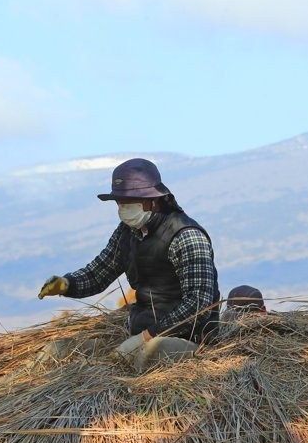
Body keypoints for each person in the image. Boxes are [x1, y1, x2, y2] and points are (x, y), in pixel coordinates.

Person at [37, 158, 220, 371]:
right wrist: (67, 284)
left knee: (147, 355)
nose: (123, 208)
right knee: (58, 351)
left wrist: (147, 337)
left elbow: (199, 305)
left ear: (154, 199)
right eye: (120, 202)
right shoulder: (127, 232)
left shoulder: (186, 236)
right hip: (137, 336)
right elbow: (99, 273)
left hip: (186, 339)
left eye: (130, 201)